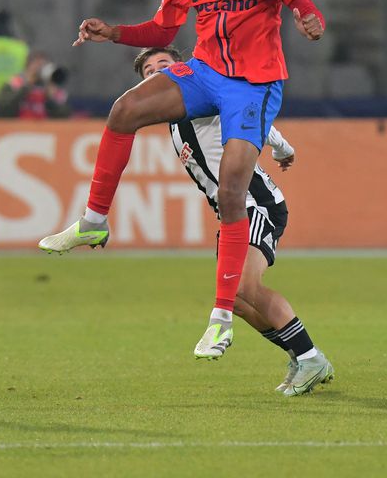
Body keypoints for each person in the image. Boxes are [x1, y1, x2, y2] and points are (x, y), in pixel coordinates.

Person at [38, 0, 325, 361]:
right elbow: (162, 30)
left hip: (253, 87)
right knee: (123, 111)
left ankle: (220, 321)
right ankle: (93, 222)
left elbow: (301, 0)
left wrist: (310, 18)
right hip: (206, 73)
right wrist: (113, 33)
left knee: (232, 193)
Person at [133, 46, 334, 396]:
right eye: (148, 71)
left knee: (243, 288)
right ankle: (302, 355)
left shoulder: (200, 96)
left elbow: (245, 110)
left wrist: (281, 146)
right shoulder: (175, 121)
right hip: (231, 215)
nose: (156, 73)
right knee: (237, 301)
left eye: (163, 64)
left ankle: (310, 357)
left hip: (255, 205)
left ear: (181, 68)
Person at [0, 51, 70, 119]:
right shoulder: (15, 83)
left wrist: (51, 98)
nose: (39, 69)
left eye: (43, 66)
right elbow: (2, 108)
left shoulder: (53, 88)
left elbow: (65, 115)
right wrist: (25, 87)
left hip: (45, 128)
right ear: (28, 66)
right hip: (18, 127)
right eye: (37, 65)